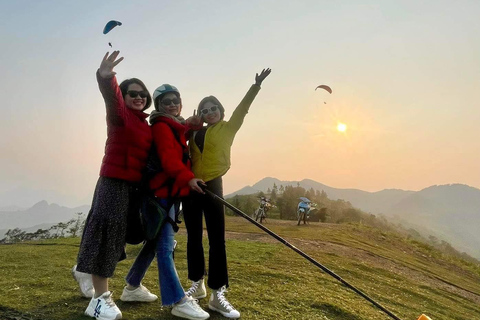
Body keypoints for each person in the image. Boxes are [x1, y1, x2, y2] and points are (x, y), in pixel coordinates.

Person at [183, 68, 271, 319]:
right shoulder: (194, 132)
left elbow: (242, 109)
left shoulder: (228, 127)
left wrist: (255, 86)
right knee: (193, 238)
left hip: (213, 185)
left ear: (220, 110)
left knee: (216, 240)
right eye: (204, 110)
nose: (209, 112)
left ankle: (217, 293)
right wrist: (188, 125)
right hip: (190, 186)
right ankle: (196, 284)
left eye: (213, 108)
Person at [75, 51, 156, 320]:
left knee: (118, 237)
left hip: (132, 188)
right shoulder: (120, 115)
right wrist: (106, 77)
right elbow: (112, 98)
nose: (138, 97)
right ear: (124, 96)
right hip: (112, 183)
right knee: (107, 235)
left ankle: (86, 272)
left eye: (142, 93)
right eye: (132, 93)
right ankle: (99, 300)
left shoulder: (145, 124)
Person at [123, 84, 210, 320]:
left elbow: (182, 131)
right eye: (166, 101)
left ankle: (132, 286)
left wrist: (192, 124)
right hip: (161, 194)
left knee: (154, 243)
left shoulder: (173, 125)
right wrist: (189, 179)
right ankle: (177, 300)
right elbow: (170, 161)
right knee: (164, 247)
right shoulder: (161, 126)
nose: (172, 104)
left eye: (175, 100)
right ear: (159, 105)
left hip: (166, 194)